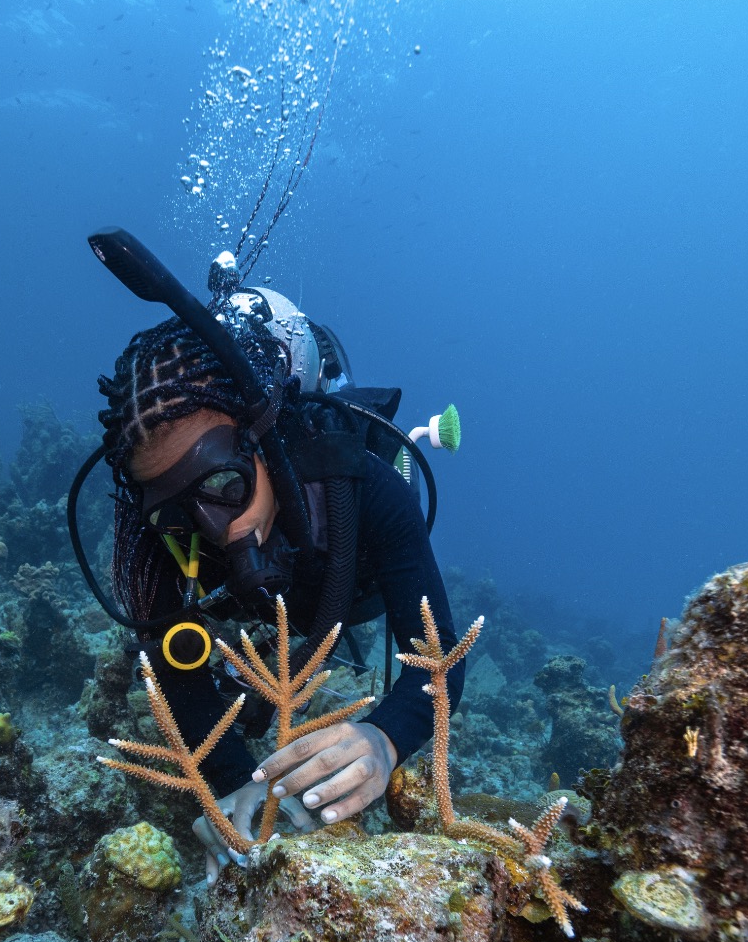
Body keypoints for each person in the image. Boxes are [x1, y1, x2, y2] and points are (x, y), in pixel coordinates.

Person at [91, 293, 467, 862]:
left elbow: (440, 660)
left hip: (351, 588)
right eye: (176, 511)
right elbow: (176, 672)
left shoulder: (368, 490)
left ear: (262, 440)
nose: (214, 528)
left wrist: (383, 738)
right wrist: (237, 785)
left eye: (224, 485)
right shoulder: (163, 544)